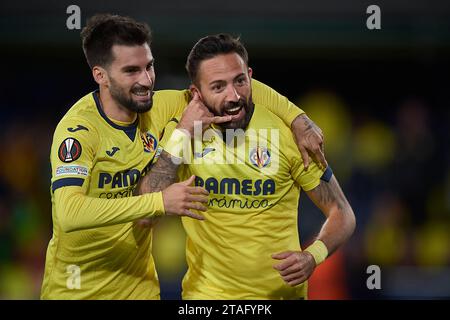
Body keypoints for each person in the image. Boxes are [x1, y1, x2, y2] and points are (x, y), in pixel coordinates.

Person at [41, 14, 326, 300]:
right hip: (76, 290)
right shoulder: (79, 130)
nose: (146, 80)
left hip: (139, 289)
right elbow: (69, 214)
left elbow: (232, 85)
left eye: (149, 66)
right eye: (131, 71)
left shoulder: (157, 106)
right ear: (100, 75)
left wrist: (297, 118)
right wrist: (160, 201)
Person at [142, 34, 356, 299]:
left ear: (250, 77)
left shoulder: (288, 135)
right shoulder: (183, 137)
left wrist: (313, 256)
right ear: (196, 94)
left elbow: (342, 212)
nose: (234, 96)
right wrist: (183, 134)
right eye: (218, 87)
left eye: (240, 81)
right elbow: (145, 213)